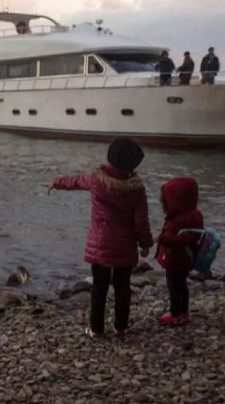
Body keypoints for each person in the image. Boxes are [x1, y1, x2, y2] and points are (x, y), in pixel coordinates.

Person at [44, 138, 153, 339]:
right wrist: (145, 244)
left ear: (110, 158)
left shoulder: (97, 179)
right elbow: (142, 220)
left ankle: (96, 330)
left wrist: (56, 182)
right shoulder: (137, 189)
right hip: (125, 247)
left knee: (99, 288)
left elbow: (75, 181)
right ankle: (121, 327)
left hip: (101, 246)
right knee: (123, 288)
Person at [154, 177, 204, 326]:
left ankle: (175, 313)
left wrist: (161, 239)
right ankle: (184, 312)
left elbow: (180, 241)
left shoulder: (180, 219)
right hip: (186, 259)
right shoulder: (194, 215)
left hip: (176, 259)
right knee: (181, 285)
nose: (163, 203)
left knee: (174, 286)